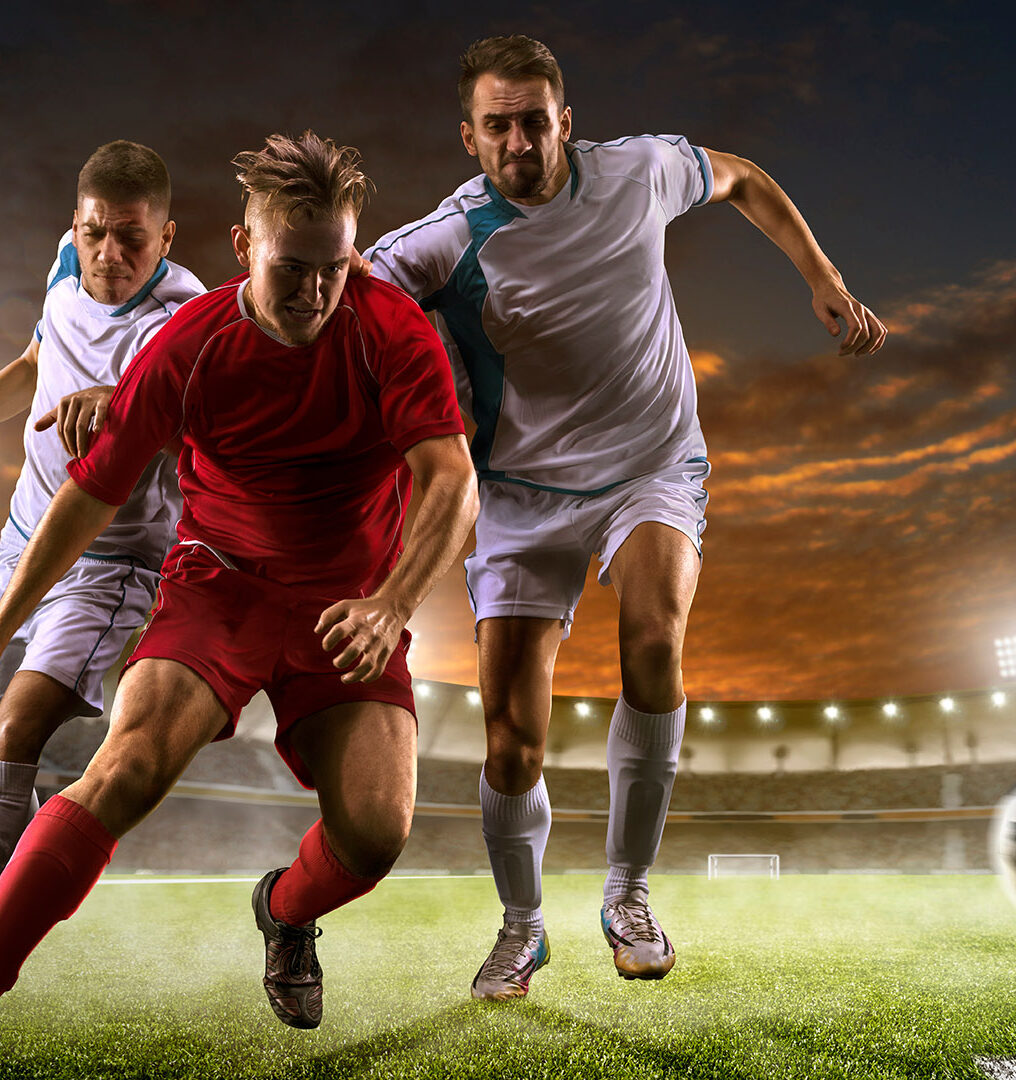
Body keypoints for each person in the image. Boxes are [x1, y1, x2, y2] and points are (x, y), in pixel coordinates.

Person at [0, 130, 477, 1063]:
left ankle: (282, 909)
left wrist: (392, 602)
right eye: (290, 268)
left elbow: (452, 478)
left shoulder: (391, 328)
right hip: (217, 589)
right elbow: (90, 495)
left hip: (348, 609)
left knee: (376, 838)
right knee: (124, 770)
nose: (315, 291)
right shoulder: (191, 344)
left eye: (335, 267)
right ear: (242, 248)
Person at [365, 35, 887, 1000]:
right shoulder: (443, 239)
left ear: (567, 120)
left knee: (655, 639)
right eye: (498, 126)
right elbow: (339, 303)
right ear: (470, 139)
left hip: (652, 466)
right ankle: (521, 927)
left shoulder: (639, 170)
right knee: (509, 739)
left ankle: (628, 892)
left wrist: (820, 276)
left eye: (535, 120)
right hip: (520, 496)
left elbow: (742, 179)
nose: (519, 140)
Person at [0, 140, 204, 994]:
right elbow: (34, 365)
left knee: (15, 737)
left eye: (132, 238)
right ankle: (2, 872)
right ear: (75, 226)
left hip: (111, 563)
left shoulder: (187, 314)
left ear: (167, 236)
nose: (110, 255)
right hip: (20, 543)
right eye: (96, 234)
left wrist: (123, 401)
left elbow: (182, 416)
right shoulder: (64, 267)